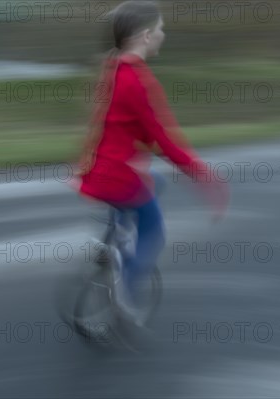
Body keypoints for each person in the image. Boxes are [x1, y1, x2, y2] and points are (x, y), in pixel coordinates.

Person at [73, 1, 230, 323]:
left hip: (95, 171)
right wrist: (203, 175)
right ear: (145, 36)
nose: (163, 34)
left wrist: (140, 150)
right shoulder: (140, 81)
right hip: (117, 176)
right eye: (160, 29)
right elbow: (163, 140)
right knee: (154, 231)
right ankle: (124, 294)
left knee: (155, 182)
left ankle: (110, 242)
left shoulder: (111, 67)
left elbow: (122, 124)